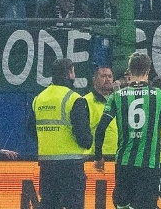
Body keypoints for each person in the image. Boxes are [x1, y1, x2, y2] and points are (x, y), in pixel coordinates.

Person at [96, 53, 161, 209]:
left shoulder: (117, 96)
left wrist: (98, 156)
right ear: (148, 71)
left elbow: (100, 129)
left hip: (124, 164)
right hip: (150, 165)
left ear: (129, 70)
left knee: (123, 205)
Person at [33, 58, 97, 209]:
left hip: (47, 165)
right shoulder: (74, 99)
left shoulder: (39, 98)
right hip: (71, 165)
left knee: (48, 204)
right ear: (70, 74)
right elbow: (83, 137)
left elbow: (31, 129)